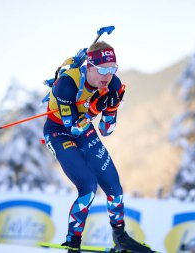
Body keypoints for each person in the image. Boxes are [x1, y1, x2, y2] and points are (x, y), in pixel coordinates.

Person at [43, 41, 152, 253]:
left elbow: (106, 130)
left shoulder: (113, 83)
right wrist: (94, 110)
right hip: (58, 132)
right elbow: (72, 128)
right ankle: (73, 243)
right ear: (89, 67)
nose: (108, 74)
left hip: (85, 131)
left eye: (113, 68)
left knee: (114, 187)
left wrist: (111, 108)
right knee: (88, 186)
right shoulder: (66, 84)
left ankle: (120, 238)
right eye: (103, 69)